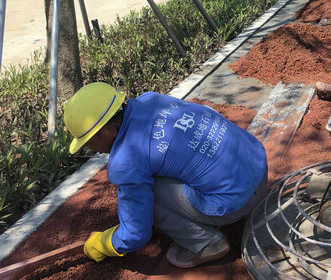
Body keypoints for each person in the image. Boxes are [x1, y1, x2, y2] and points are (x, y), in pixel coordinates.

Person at [63, 83, 268, 269]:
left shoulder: (126, 161)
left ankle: (207, 244)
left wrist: (107, 243)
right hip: (259, 166)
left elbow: (136, 232)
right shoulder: (151, 99)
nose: (91, 149)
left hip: (238, 202)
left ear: (108, 131)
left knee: (146, 199)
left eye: (88, 141)